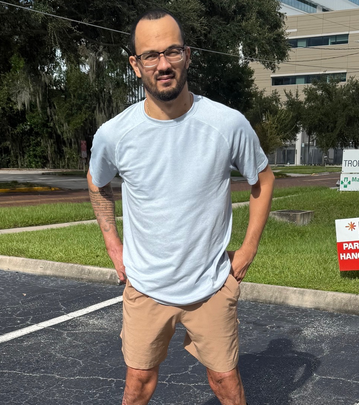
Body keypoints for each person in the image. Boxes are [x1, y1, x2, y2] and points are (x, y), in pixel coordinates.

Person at [87, 9, 275, 405]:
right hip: (146, 286)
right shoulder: (115, 134)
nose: (163, 64)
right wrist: (113, 247)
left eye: (172, 51)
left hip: (210, 285)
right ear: (135, 65)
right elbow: (97, 182)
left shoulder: (227, 124)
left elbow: (263, 179)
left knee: (225, 382)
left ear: (187, 55)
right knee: (138, 383)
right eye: (150, 55)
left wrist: (247, 251)